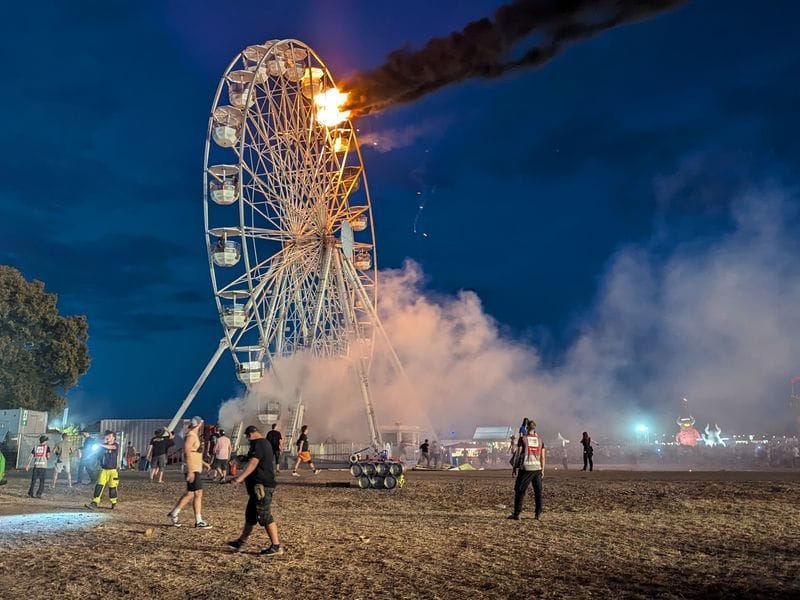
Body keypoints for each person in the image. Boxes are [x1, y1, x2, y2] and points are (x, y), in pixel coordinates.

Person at [227, 425, 284, 556]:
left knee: (264, 514)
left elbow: (254, 462)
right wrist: (240, 458)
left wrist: (239, 478)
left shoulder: (259, 443)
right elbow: (251, 458)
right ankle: (241, 541)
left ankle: (276, 546)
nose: (248, 439)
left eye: (248, 436)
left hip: (262, 486)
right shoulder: (262, 444)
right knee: (250, 515)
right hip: (257, 487)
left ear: (252, 434)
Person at [168, 417, 211, 528]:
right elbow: (187, 452)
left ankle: (174, 513)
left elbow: (193, 453)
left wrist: (203, 463)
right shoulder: (191, 436)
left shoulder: (193, 435)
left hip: (195, 468)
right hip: (192, 469)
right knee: (198, 493)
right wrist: (191, 470)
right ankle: (198, 521)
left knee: (190, 493)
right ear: (199, 424)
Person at [508, 420, 545, 520]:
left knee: (520, 490)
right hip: (537, 468)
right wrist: (542, 470)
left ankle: (517, 513)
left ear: (527, 428)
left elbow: (518, 454)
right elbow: (542, 457)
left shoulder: (523, 439)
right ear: (535, 428)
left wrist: (514, 468)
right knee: (538, 491)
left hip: (526, 468)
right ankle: (538, 514)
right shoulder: (540, 440)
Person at [86, 430, 120, 509]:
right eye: (107, 436)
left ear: (114, 438)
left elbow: (111, 447)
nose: (107, 437)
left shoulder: (116, 445)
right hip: (103, 470)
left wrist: (100, 445)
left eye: (110, 436)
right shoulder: (103, 446)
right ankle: (95, 502)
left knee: (112, 487)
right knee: (99, 486)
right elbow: (97, 455)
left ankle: (114, 502)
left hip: (113, 471)